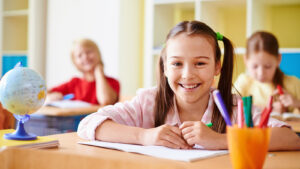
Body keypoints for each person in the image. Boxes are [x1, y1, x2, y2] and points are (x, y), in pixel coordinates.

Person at [78, 21, 300, 150]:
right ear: (164, 67)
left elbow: (289, 138)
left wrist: (220, 140)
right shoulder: (149, 102)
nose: (188, 74)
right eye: (176, 63)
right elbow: (89, 124)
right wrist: (144, 136)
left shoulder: (234, 108)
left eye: (200, 63)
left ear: (217, 67)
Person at [234, 31, 300, 114]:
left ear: (278, 59)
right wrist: (268, 110)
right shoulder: (243, 82)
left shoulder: (294, 83)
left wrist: (297, 103)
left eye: (267, 66)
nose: (261, 73)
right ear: (246, 60)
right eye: (255, 66)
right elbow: (229, 107)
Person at [46, 38, 120, 105]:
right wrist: (50, 97)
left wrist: (99, 72)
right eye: (79, 55)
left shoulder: (112, 82)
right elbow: (45, 93)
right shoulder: (74, 83)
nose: (85, 57)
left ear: (98, 54)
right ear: (75, 62)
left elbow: (106, 101)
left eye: (89, 52)